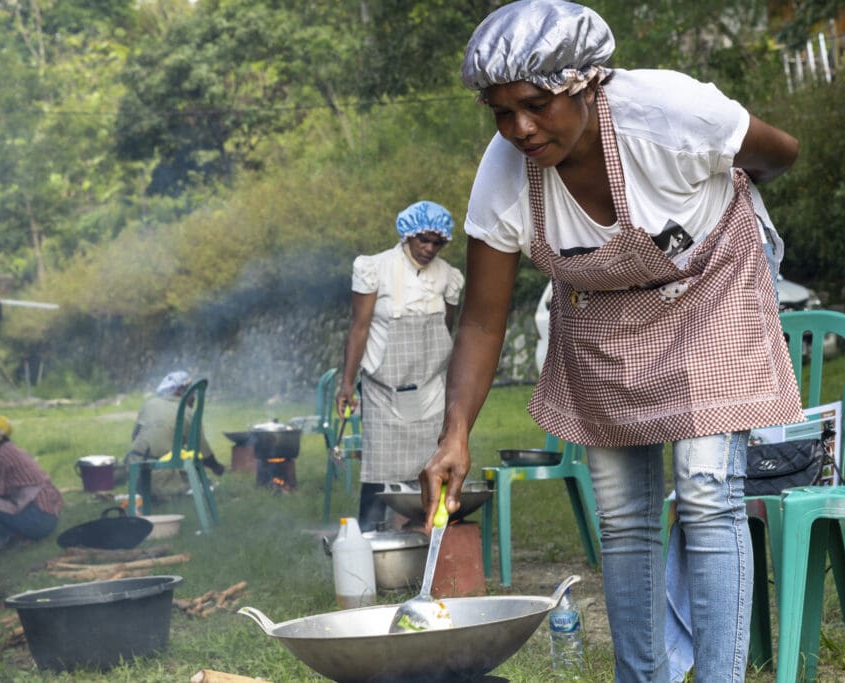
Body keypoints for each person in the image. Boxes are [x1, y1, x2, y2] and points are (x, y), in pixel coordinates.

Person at [417, 2, 804, 682]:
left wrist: (717, 199)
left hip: (710, 286)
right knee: (624, 514)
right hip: (600, 315)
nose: (520, 129)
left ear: (586, 83)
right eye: (502, 113)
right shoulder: (504, 176)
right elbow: (481, 320)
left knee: (706, 489)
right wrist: (455, 434)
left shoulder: (671, 114)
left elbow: (780, 153)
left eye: (536, 105)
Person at [335, 200, 465, 532]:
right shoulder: (374, 268)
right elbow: (359, 328)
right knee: (381, 471)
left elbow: (444, 332)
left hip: (429, 390)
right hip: (383, 389)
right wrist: (347, 384)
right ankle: (369, 538)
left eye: (437, 243)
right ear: (407, 235)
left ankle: (423, 536)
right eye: (424, 240)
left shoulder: (448, 277)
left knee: (428, 466)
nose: (429, 248)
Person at [0, 415, 63, 553]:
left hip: (37, 519)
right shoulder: (12, 449)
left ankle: (2, 539)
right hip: (49, 516)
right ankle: (9, 535)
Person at [124, 371, 224, 499]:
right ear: (179, 392)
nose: (194, 398)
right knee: (189, 470)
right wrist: (217, 467)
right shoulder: (188, 413)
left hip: (136, 472)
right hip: (163, 475)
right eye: (191, 393)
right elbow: (203, 451)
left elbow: (135, 437)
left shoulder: (148, 405)